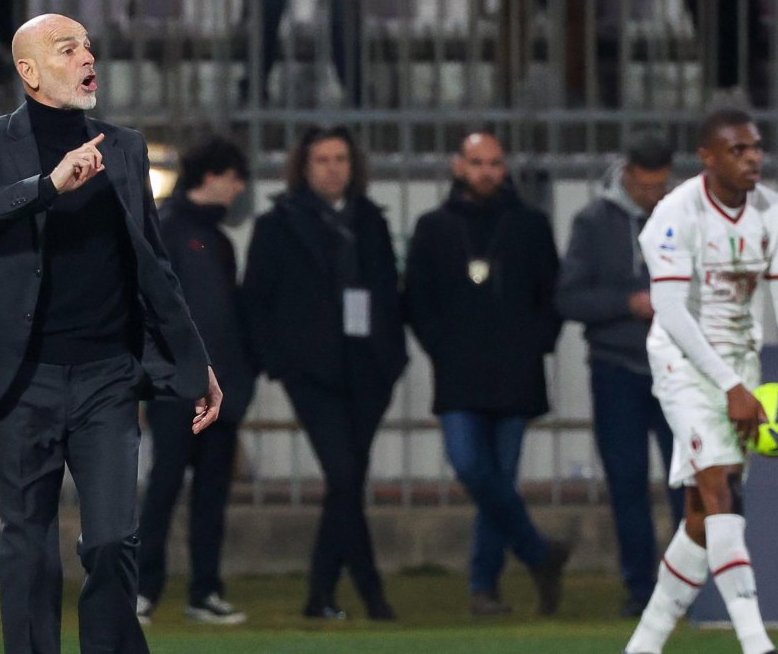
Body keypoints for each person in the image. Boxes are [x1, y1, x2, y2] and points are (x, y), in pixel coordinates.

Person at [0, 13, 222, 654]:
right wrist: (46, 187)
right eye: (68, 48)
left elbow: (155, 265)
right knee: (27, 542)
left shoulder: (126, 146)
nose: (88, 56)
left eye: (88, 46)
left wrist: (193, 362)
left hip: (108, 377)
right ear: (28, 71)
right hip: (21, 378)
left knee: (112, 539)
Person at [623, 108, 778, 654]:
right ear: (708, 157)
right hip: (685, 364)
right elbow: (670, 312)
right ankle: (756, 642)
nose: (753, 159)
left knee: (702, 516)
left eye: (756, 148)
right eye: (738, 150)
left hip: (739, 363)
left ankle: (643, 645)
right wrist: (729, 387)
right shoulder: (675, 215)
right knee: (720, 486)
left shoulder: (774, 210)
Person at [242, 125, 407, 621]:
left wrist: (391, 358)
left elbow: (387, 294)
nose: (333, 168)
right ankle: (371, 594)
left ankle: (321, 595)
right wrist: (281, 363)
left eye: (341, 159)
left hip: (369, 371)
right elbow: (256, 299)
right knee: (344, 475)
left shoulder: (370, 222)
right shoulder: (279, 224)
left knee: (347, 484)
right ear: (304, 167)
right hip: (312, 372)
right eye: (322, 160)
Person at [403, 132, 570, 617]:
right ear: (459, 166)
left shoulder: (530, 225)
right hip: (458, 376)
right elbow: (416, 299)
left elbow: (551, 296)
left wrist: (533, 342)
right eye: (477, 162)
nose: (486, 171)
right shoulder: (434, 227)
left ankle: (484, 588)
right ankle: (540, 554)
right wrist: (442, 348)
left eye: (495, 163)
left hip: (516, 376)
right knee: (475, 471)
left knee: (497, 483)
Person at [556, 132, 685, 617]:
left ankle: (687, 584)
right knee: (627, 483)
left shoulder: (689, 217)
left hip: (679, 368)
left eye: (660, 185)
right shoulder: (593, 223)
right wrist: (627, 304)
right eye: (644, 185)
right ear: (626, 173)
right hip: (617, 369)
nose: (652, 195)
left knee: (688, 482)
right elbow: (569, 297)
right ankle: (640, 589)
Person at [135, 136, 255, 627]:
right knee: (165, 486)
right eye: (234, 176)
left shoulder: (214, 239)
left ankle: (203, 590)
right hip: (176, 389)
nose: (239, 187)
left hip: (218, 389)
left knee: (209, 493)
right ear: (212, 177)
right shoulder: (169, 230)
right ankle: (144, 589)